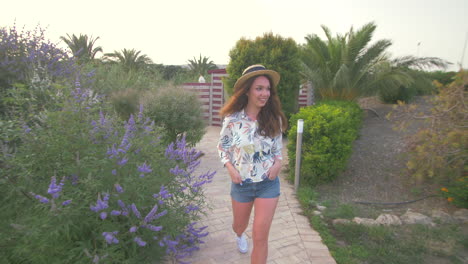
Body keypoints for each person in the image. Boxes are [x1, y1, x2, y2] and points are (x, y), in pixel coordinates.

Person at [217, 64, 288, 264]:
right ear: (247, 91)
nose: (265, 93)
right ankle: (239, 235)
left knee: (260, 237)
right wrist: (230, 169)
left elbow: (276, 150)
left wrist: (278, 164)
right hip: (242, 184)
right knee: (239, 226)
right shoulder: (232, 120)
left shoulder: (274, 118)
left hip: (268, 184)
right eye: (259, 88)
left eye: (267, 89)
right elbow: (223, 147)